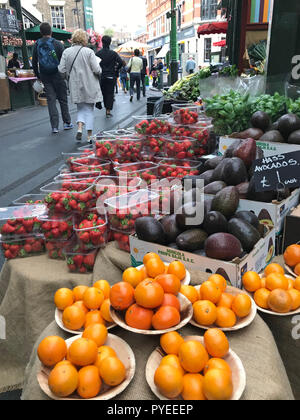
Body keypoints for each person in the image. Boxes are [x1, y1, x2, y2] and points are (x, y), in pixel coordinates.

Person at [58, 29, 102, 143]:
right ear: (84, 39)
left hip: (75, 85)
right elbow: (96, 69)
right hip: (89, 84)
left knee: (81, 108)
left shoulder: (66, 52)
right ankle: (89, 136)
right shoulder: (89, 52)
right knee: (89, 110)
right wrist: (100, 69)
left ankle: (79, 128)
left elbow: (61, 69)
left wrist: (68, 75)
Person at [32, 22, 73, 134]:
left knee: (51, 101)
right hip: (58, 75)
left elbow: (34, 62)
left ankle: (54, 126)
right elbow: (64, 62)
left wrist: (38, 76)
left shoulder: (37, 44)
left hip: (45, 76)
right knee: (63, 100)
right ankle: (67, 122)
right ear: (51, 31)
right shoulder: (57, 44)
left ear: (41, 32)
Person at [96, 35, 123, 118]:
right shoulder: (113, 53)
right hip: (111, 76)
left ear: (102, 42)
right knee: (110, 94)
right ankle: (108, 111)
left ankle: (101, 104)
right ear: (110, 43)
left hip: (102, 76)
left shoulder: (98, 53)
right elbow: (121, 62)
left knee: (104, 93)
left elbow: (94, 64)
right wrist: (116, 69)